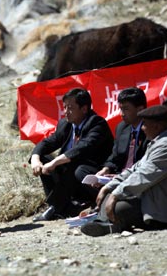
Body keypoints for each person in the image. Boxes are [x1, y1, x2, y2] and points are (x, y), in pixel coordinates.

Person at [81, 105, 167, 237]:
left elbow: (143, 176)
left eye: (145, 124)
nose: (142, 128)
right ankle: (104, 222)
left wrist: (116, 194)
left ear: (157, 126)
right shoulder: (158, 142)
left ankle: (108, 223)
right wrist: (109, 187)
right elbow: (134, 169)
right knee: (109, 197)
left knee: (118, 207)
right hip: (153, 200)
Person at [30, 88, 114, 221]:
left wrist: (55, 162)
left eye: (70, 108)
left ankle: (55, 207)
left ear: (84, 109)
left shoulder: (97, 123)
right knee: (44, 159)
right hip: (69, 177)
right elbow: (48, 142)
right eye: (64, 107)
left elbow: (81, 149)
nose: (66, 112)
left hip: (90, 173)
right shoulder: (66, 124)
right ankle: (64, 206)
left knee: (72, 163)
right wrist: (35, 159)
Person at [79, 87, 148, 198]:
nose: (122, 113)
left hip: (137, 178)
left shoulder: (150, 129)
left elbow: (145, 164)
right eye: (120, 109)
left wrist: (120, 176)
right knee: (82, 171)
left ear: (140, 109)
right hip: (118, 174)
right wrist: (105, 170)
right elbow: (115, 155)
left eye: (126, 109)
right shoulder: (122, 128)